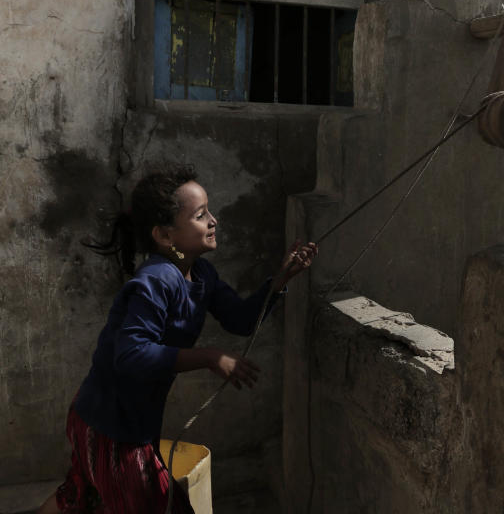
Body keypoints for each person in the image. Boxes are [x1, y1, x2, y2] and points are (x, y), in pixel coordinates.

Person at [37, 166, 317, 513]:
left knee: (79, 499)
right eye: (200, 216)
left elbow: (241, 319)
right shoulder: (157, 280)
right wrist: (208, 357)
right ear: (165, 236)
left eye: (209, 211)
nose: (213, 221)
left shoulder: (200, 273)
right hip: (111, 424)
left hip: (121, 420)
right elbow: (131, 354)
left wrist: (279, 280)